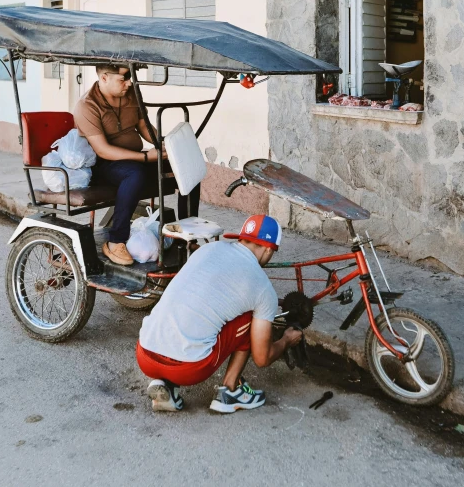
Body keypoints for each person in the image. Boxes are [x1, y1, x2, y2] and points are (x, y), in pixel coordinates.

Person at [136, 214, 303, 413]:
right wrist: (285, 340)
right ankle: (230, 391)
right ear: (269, 250)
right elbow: (262, 358)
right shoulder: (263, 289)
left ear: (242, 238)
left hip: (145, 354)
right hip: (189, 369)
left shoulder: (208, 249)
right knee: (250, 316)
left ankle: (165, 385)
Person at [74, 65, 192, 266]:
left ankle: (187, 234)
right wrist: (146, 157)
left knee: (186, 165)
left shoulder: (131, 94)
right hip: (104, 165)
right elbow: (102, 150)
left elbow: (144, 126)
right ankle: (115, 241)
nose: (129, 83)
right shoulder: (87, 105)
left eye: (131, 77)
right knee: (135, 174)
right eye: (124, 78)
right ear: (104, 78)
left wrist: (164, 146)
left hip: (135, 159)